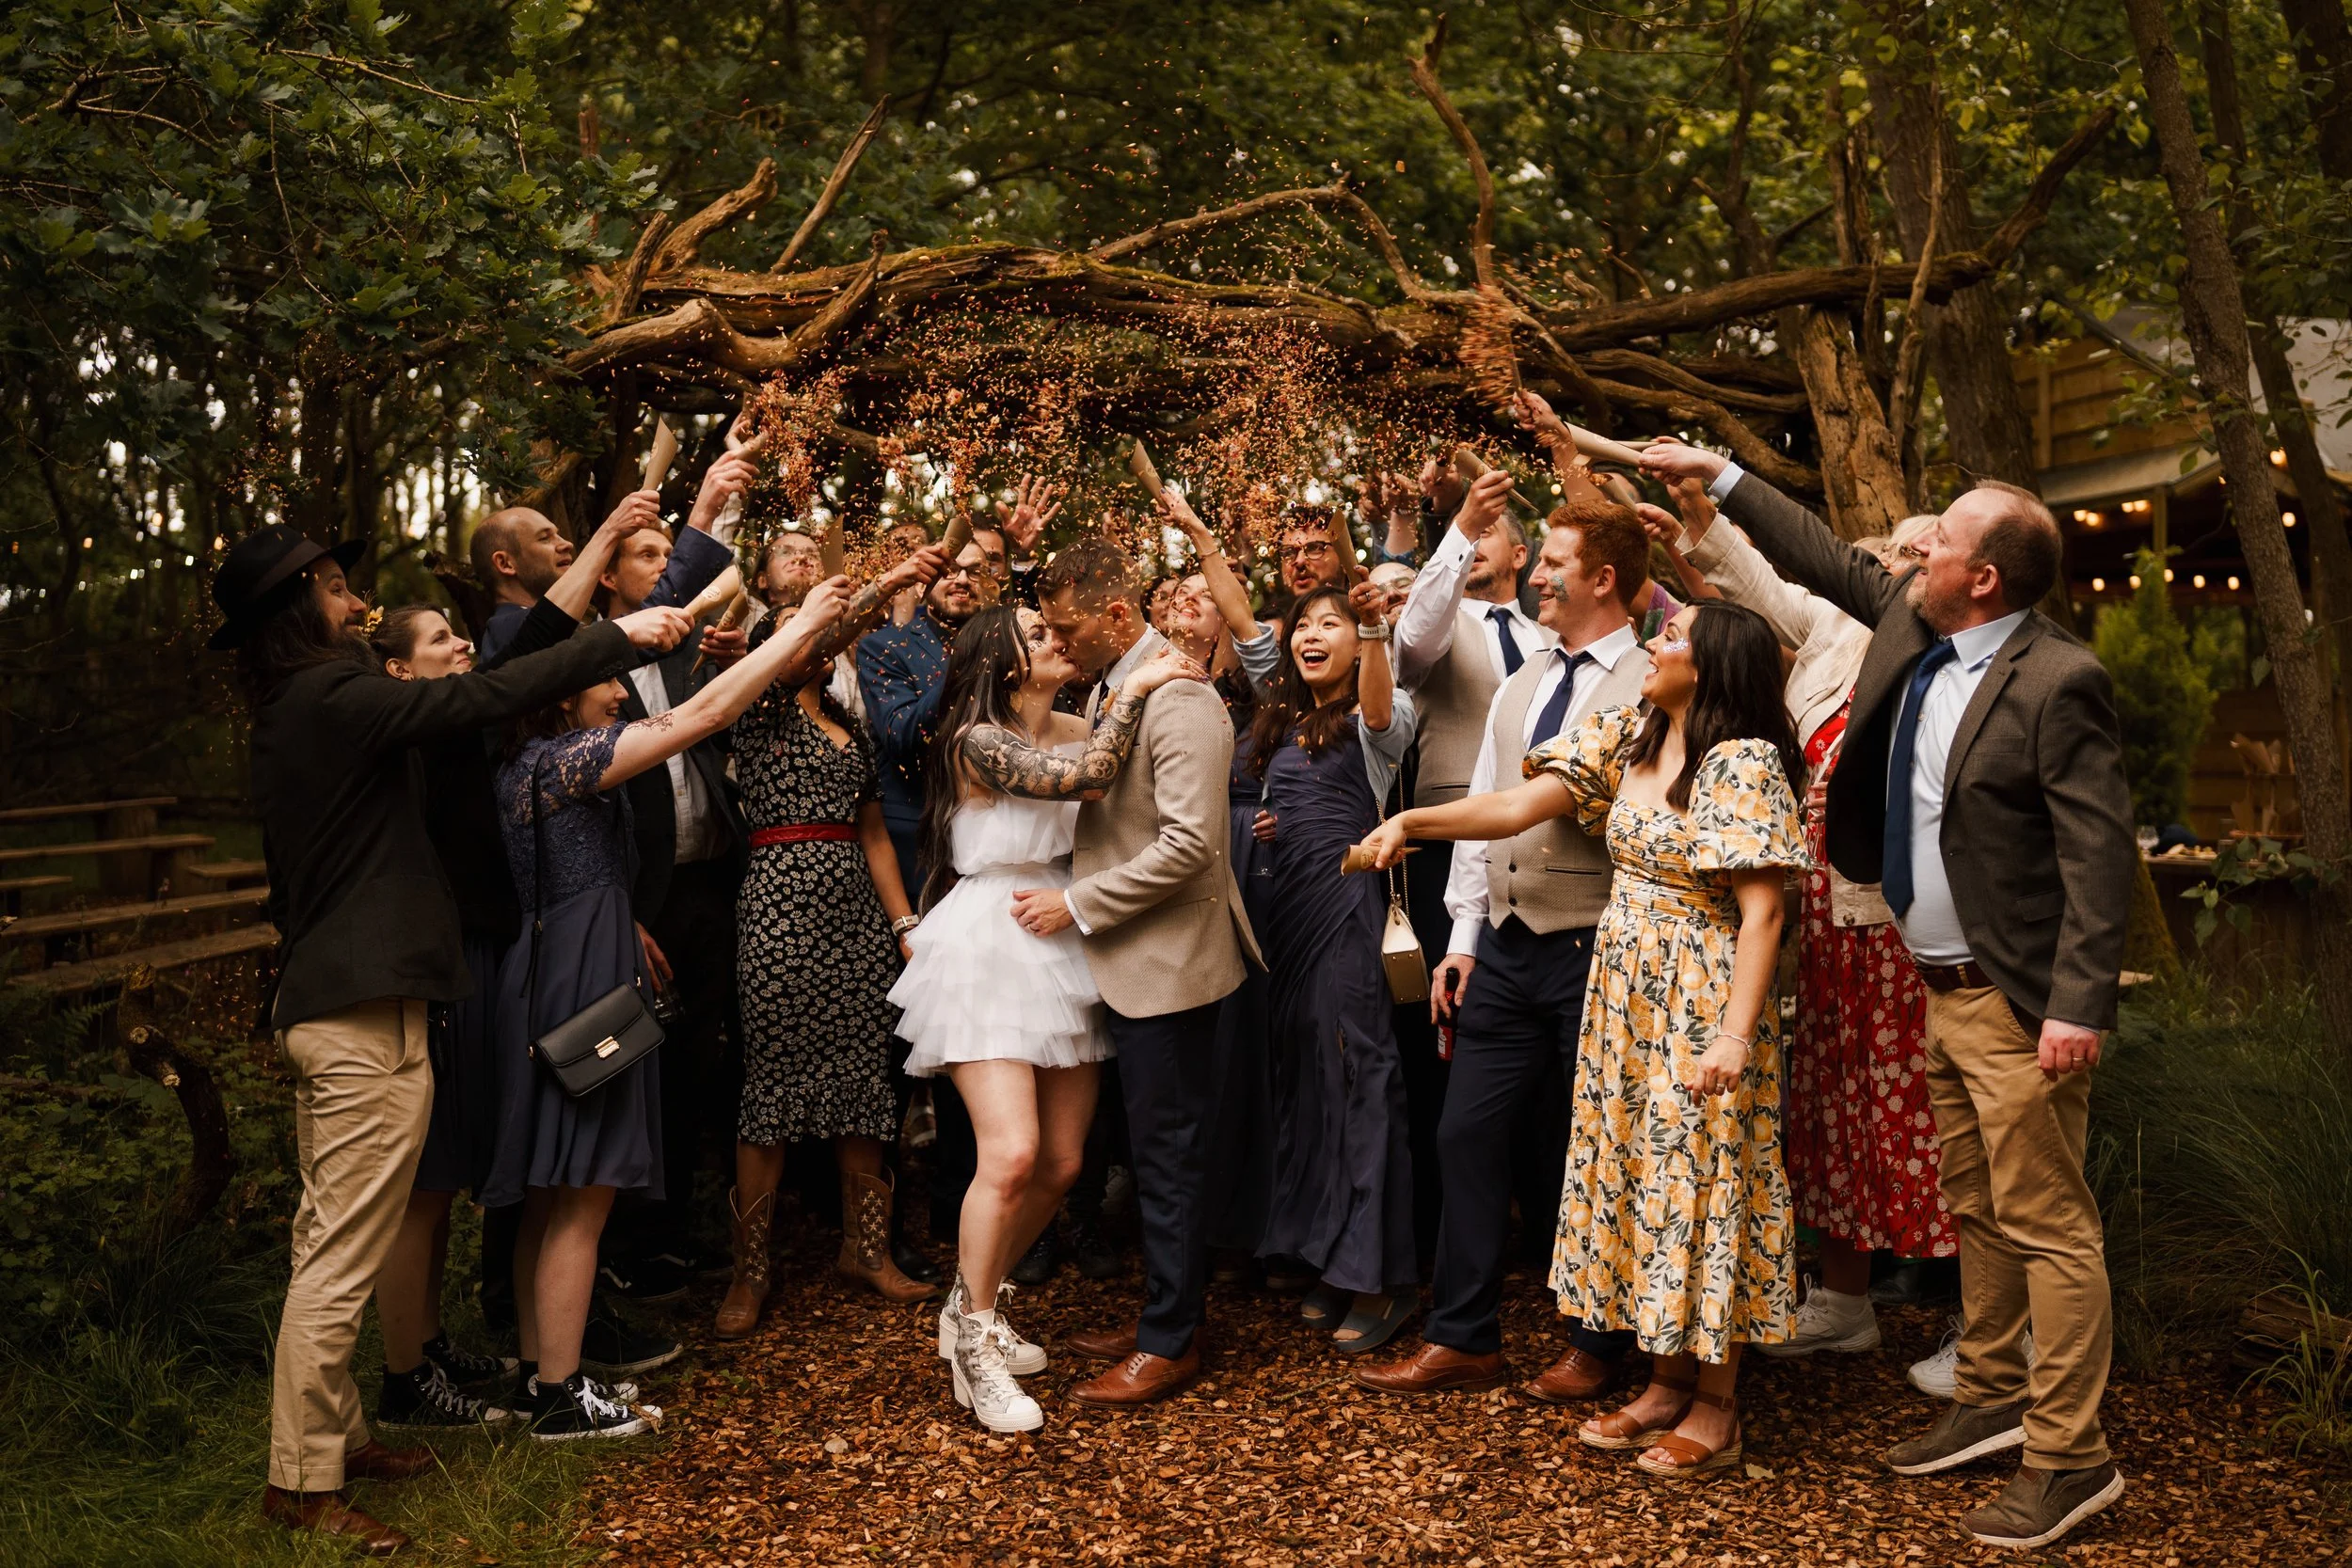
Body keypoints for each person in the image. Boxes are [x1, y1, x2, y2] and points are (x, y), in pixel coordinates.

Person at [1643, 439, 2136, 1548]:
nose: (1914, 554)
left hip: (2015, 1002)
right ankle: (1994, 1393)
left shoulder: (2060, 680)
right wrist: (1714, 474)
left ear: (1984, 578)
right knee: (1978, 1206)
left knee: (2051, 1227)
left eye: (1940, 543)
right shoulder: (1919, 628)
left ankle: (2071, 1458)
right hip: (1934, 988)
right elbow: (1817, 552)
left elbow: (2096, 856)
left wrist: (2075, 1005)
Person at [213, 525, 689, 1552]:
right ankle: (301, 1482)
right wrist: (621, 638)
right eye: (338, 590)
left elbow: (492, 682)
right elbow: (481, 697)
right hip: (359, 1011)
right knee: (341, 1250)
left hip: (339, 999)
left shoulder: (311, 710)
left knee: (327, 1239)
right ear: (298, 611)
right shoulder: (332, 700)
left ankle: (338, 1434)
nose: (357, 604)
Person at [1360, 599, 1810, 1481]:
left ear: (1715, 663)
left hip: (1699, 999)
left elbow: (1763, 912)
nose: (1652, 643)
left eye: (1672, 637)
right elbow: (1519, 805)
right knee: (1638, 1177)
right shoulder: (1631, 739)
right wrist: (1413, 824)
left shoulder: (1742, 762)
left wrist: (1733, 1034)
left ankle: (1718, 1404)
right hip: (1623, 997)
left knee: (1700, 1187)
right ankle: (1664, 1381)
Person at [485, 578, 850, 1440]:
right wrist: (793, 629)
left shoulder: (527, 765)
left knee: (553, 1187)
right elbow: (705, 714)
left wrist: (627, 920)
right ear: (563, 692)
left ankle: (546, 1379)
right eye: (608, 680)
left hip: (566, 963)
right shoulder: (566, 761)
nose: (620, 691)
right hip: (583, 985)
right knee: (586, 1184)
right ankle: (564, 1395)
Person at [1639, 490, 1957, 1363]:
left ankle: (1988, 1322)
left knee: (1932, 1116)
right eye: (1896, 549)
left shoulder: (1957, 652)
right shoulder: (1837, 640)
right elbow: (1762, 585)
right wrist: (1693, 529)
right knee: (1832, 1108)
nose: (1905, 562)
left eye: (1928, 551)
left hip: (1904, 929)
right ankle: (1847, 1301)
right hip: (1823, 924)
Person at [1352, 498, 1653, 1402]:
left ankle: (1599, 1343)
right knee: (1465, 1131)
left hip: (1599, 942)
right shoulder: (1522, 679)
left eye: (1556, 560)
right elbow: (1487, 812)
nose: (1542, 575)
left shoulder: (1652, 679)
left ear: (1603, 578)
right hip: (1509, 948)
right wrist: (1466, 938)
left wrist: (1410, 821)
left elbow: (1543, 805)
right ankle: (1465, 1336)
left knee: (1585, 1145)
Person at [895, 606, 1203, 1432]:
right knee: (1012, 1150)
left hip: (1060, 927)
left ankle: (969, 1305)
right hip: (988, 937)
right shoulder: (977, 740)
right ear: (1000, 660)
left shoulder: (1078, 719)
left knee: (1065, 1161)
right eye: (1035, 634)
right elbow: (1090, 779)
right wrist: (1139, 682)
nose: (1054, 639)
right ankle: (974, 1346)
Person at [1025, 539, 1262, 1405]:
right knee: (1151, 1150)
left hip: (1173, 964)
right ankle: (1170, 1306)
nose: (1057, 639)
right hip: (1130, 963)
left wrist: (1078, 904)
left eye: (1064, 625)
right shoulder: (1113, 690)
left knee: (1169, 1157)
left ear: (1116, 616)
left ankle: (1171, 1340)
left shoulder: (1183, 700)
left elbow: (1192, 847)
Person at [717, 548, 946, 1338]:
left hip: (854, 913)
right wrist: (883, 584)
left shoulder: (850, 726)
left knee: (862, 1085)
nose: (806, 641)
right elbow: (802, 645)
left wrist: (905, 927)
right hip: (778, 904)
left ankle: (866, 1252)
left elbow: (876, 835)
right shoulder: (758, 706)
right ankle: (750, 1274)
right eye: (789, 632)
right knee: (769, 1093)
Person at [360, 607, 526, 1433]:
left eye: (461, 632)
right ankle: (402, 1382)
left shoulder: (456, 731)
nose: (463, 642)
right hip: (443, 959)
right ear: (398, 671)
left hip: (481, 952)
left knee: (447, 1172)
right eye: (440, 639)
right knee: (422, 1182)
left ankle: (426, 1343)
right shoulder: (406, 742)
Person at [1249, 578, 1422, 1353]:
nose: (1311, 634)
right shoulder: (1283, 723)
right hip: (1288, 924)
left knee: (1362, 1087)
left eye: (1332, 623)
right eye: (1303, 624)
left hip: (1349, 919)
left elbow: (1382, 711)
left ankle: (1382, 1278)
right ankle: (1330, 1258)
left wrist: (1380, 628)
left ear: (1358, 642)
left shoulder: (1377, 717)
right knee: (1312, 1091)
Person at [1387, 464, 1553, 1264]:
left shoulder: (1555, 640)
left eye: (1490, 533)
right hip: (1446, 845)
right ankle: (1437, 1235)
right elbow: (1412, 637)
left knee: (1533, 1038)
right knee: (1440, 1034)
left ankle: (1539, 1224)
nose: (1477, 541)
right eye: (1470, 537)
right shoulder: (1441, 623)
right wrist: (1453, 526)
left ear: (1522, 555)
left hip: (1549, 860)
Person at [588, 515, 757, 1301]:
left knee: (697, 1062)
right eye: (645, 557)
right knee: (631, 1063)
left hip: (706, 885)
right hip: (635, 896)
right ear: (609, 578)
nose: (662, 570)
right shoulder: (592, 669)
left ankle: (671, 1235)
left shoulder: (692, 654)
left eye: (667, 555)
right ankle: (618, 1244)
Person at [467, 442, 751, 662]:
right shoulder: (510, 629)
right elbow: (620, 639)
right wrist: (701, 517)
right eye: (544, 538)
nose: (566, 544)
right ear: (505, 563)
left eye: (559, 534)